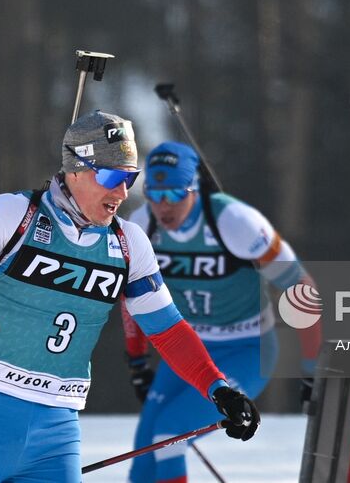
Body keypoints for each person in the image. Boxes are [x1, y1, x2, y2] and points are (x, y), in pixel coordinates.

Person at [0, 111, 260, 483]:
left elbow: (168, 331)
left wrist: (220, 389)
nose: (122, 193)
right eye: (111, 177)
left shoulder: (128, 244)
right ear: (75, 169)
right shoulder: (15, 214)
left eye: (130, 179)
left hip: (57, 432)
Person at [124, 141, 318, 483]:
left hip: (246, 349)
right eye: (155, 194)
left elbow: (301, 288)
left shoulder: (235, 221)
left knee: (170, 434)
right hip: (189, 351)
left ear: (194, 189)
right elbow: (133, 299)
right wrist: (138, 362)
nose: (163, 206)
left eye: (174, 194)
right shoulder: (142, 225)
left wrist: (311, 369)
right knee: (144, 458)